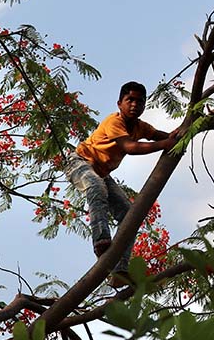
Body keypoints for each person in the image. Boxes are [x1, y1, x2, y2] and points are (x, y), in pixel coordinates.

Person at [65, 81, 179, 288]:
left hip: (101, 172)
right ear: (120, 103)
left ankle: (120, 271)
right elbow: (130, 147)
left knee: (129, 213)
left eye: (139, 101)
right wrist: (164, 144)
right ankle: (101, 240)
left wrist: (178, 136)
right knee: (96, 188)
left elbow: (159, 135)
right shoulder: (113, 122)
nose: (135, 104)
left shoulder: (140, 126)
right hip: (79, 162)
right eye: (130, 100)